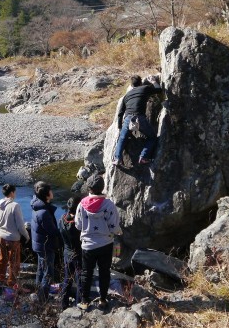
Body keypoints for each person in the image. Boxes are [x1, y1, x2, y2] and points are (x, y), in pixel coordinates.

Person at [75, 174, 122, 311]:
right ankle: (102, 299)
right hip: (105, 243)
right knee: (104, 272)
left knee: (86, 272)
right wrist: (118, 232)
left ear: (89, 187)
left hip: (87, 245)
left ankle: (84, 301)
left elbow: (78, 225)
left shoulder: (81, 204)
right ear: (103, 187)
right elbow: (114, 226)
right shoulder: (109, 204)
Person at [113, 74, 162, 166]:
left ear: (131, 85)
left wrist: (119, 127)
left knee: (122, 139)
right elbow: (159, 90)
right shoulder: (144, 88)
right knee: (152, 138)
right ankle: (143, 157)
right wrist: (154, 82)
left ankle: (117, 159)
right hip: (140, 117)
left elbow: (120, 113)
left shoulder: (126, 96)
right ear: (140, 83)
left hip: (128, 119)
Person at [30, 181, 59, 302]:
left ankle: (37, 293)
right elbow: (52, 231)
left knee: (41, 270)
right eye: (50, 191)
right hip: (46, 246)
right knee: (48, 272)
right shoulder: (44, 213)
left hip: (39, 244)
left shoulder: (37, 206)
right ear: (47, 195)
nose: (52, 193)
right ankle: (43, 298)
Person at [0, 184, 30, 287]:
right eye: (14, 192)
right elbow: (20, 225)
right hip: (13, 238)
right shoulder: (15, 205)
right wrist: (27, 236)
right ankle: (11, 283)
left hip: (1, 236)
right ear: (12, 193)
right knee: (14, 262)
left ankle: (1, 278)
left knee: (2, 259)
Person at [59, 196, 83, 310]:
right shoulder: (77, 224)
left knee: (67, 279)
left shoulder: (62, 219)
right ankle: (79, 304)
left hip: (66, 253)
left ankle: (63, 304)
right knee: (80, 281)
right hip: (77, 254)